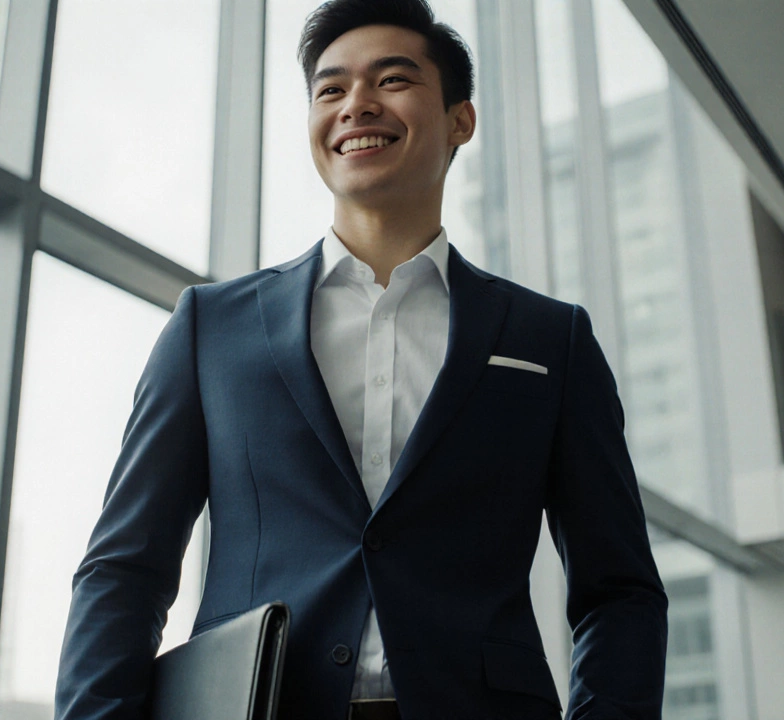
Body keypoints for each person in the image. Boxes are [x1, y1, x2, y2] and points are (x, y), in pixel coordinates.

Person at [54, 0, 668, 718]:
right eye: (331, 89)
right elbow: (125, 568)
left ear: (460, 120)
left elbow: (618, 587)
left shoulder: (547, 340)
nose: (357, 105)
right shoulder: (210, 329)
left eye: (393, 80)